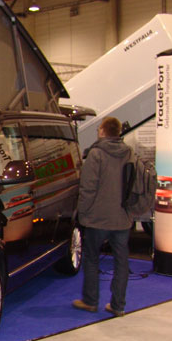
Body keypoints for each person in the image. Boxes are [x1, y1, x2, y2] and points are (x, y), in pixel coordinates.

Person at [72, 116, 132, 317]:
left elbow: (87, 188)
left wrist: (82, 213)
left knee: (91, 259)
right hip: (123, 217)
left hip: (97, 218)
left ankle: (90, 301)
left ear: (103, 131)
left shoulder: (96, 155)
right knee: (121, 262)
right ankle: (118, 305)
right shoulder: (129, 153)